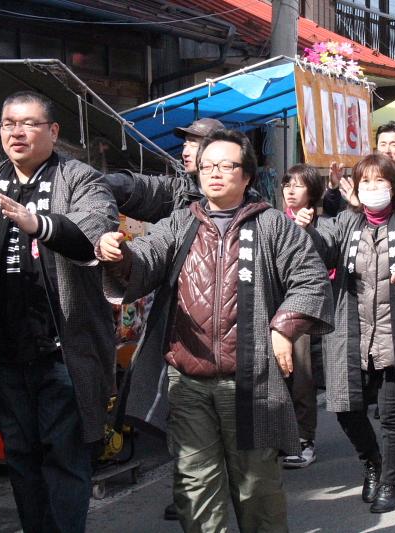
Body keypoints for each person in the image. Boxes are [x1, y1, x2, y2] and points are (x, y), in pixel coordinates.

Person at [98, 129, 334, 532]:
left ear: (247, 176)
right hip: (188, 379)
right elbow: (145, 263)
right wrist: (118, 256)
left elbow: (310, 280)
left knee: (257, 487)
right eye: (208, 166)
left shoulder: (274, 226)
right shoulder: (179, 224)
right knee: (195, 484)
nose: (215, 173)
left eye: (227, 166)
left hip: (254, 379)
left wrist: (284, 327)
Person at [0, 92, 118, 533]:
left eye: (29, 123)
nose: (16, 132)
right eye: (7, 123)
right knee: (20, 456)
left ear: (53, 131)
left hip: (63, 350)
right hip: (4, 350)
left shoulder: (82, 179)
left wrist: (40, 224)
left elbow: (94, 233)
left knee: (65, 456)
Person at [300, 153, 395, 513]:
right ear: (356, 187)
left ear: (393, 185)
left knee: (394, 412)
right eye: (365, 181)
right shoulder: (345, 223)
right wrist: (307, 228)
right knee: (346, 408)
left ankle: (390, 483)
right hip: (350, 331)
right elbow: (321, 251)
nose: (372, 188)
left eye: (380, 181)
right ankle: (373, 464)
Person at [105, 117, 225, 521]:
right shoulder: (178, 192)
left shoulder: (246, 201)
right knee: (180, 407)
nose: (187, 149)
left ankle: (217, 484)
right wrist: (98, 183)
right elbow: (140, 189)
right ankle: (190, 490)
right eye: (186, 141)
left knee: (222, 415)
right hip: (181, 321)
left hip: (230, 330)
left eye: (197, 142)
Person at [280, 163, 327, 469]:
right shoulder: (271, 219)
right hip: (270, 307)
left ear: (311, 192)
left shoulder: (321, 225)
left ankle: (304, 438)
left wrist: (305, 230)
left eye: (298, 185)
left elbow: (324, 259)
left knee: (301, 376)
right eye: (287, 184)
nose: (291, 191)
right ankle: (278, 437)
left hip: (300, 310)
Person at [106, 117, 224, 222]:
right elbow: (143, 187)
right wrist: (104, 182)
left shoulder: (238, 196)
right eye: (185, 145)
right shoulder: (179, 192)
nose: (184, 153)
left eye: (193, 144)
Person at [324, 121, 395, 216]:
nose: (387, 150)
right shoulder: (362, 178)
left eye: (394, 145)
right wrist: (333, 188)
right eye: (383, 144)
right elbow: (331, 212)